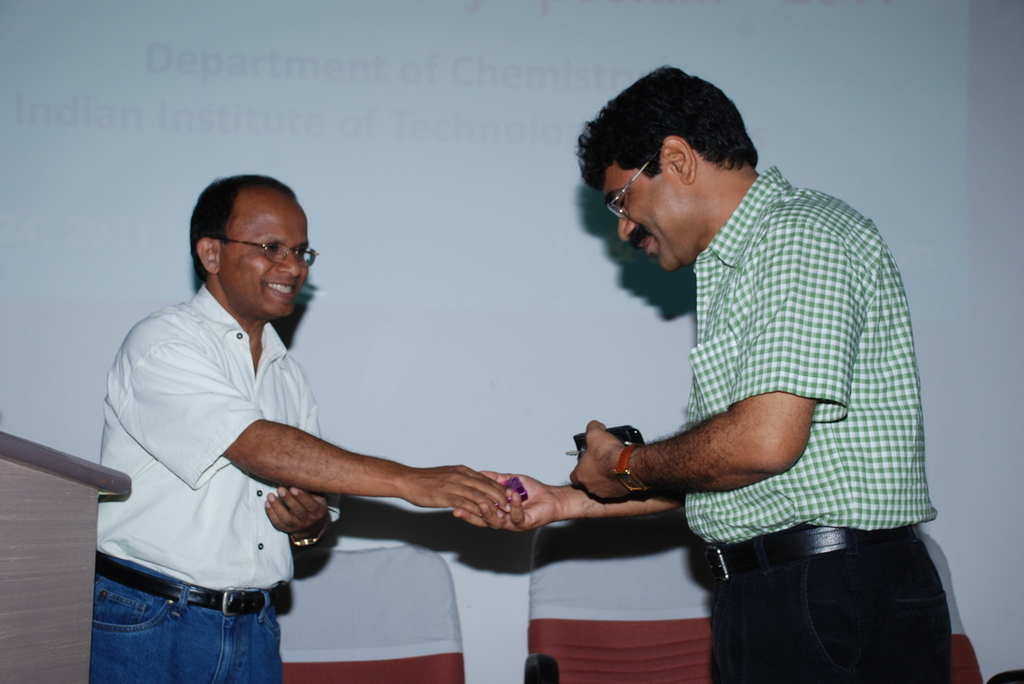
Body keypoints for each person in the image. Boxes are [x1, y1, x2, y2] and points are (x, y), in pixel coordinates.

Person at [475, 67, 951, 683]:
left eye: (621, 200)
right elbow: (732, 474)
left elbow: (760, 444)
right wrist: (566, 500)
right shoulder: (743, 262)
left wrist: (623, 464)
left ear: (676, 159)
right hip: (794, 596)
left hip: (825, 595)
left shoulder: (797, 234)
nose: (623, 228)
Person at [92, 174, 513, 684]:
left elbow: (313, 518)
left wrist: (308, 524)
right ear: (211, 253)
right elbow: (255, 445)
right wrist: (410, 481)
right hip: (152, 620)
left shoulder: (287, 374)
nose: (292, 267)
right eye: (271, 248)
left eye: (301, 252)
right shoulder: (162, 343)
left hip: (254, 625)